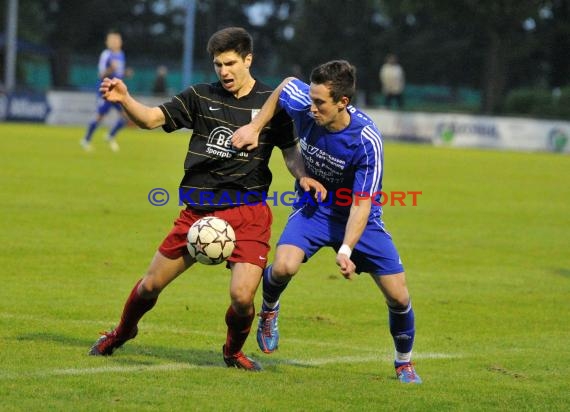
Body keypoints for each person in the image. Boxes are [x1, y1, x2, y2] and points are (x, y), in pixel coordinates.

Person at [88, 27, 325, 372]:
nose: (224, 72)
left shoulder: (272, 107)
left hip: (249, 213)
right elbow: (152, 119)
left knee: (243, 298)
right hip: (197, 213)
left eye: (230, 63)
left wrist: (301, 175)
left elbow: (291, 154)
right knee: (150, 285)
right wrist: (125, 99)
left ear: (248, 60)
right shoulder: (200, 96)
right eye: (218, 65)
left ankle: (233, 352)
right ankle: (123, 332)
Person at [231, 60, 422, 383]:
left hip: (359, 218)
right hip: (314, 207)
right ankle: (269, 309)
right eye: (311, 98)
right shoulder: (305, 102)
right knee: (283, 267)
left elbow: (362, 206)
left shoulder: (365, 140)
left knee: (399, 296)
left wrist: (346, 250)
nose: (312, 107)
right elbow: (284, 86)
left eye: (320, 102)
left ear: (342, 103)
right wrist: (255, 127)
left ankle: (403, 363)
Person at [80, 30, 129, 152]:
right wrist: (110, 69)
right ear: (107, 42)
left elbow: (119, 74)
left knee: (126, 116)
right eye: (112, 40)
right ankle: (86, 139)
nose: (115, 42)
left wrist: (125, 74)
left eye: (117, 40)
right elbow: (101, 74)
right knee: (100, 116)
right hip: (106, 90)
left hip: (117, 91)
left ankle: (110, 136)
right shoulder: (106, 55)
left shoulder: (121, 54)